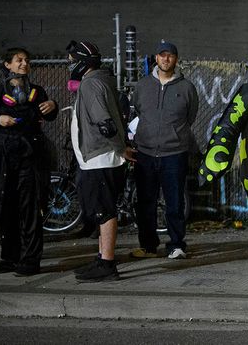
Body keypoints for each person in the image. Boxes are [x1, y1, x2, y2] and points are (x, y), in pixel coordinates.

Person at [0, 48, 58, 276]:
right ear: (7, 64)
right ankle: (9, 258)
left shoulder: (37, 92)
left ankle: (30, 260)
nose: (24, 63)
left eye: (27, 60)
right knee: (6, 207)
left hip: (30, 158)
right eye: (19, 60)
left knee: (30, 209)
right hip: (3, 159)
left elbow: (48, 115)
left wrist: (52, 107)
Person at [66, 40, 131, 282]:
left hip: (100, 158)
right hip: (100, 157)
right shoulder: (102, 79)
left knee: (104, 211)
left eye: (72, 61)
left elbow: (105, 123)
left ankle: (107, 264)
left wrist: (119, 147)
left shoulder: (91, 84)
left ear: (82, 63)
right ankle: (102, 257)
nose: (69, 65)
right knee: (102, 210)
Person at [129, 41, 199, 260]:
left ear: (175, 60)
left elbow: (190, 116)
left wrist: (173, 134)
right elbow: (138, 111)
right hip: (146, 153)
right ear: (156, 59)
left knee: (175, 203)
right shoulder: (142, 86)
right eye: (162, 55)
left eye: (170, 56)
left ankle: (176, 245)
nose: (166, 59)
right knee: (145, 203)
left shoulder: (186, 88)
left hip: (174, 154)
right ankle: (149, 246)